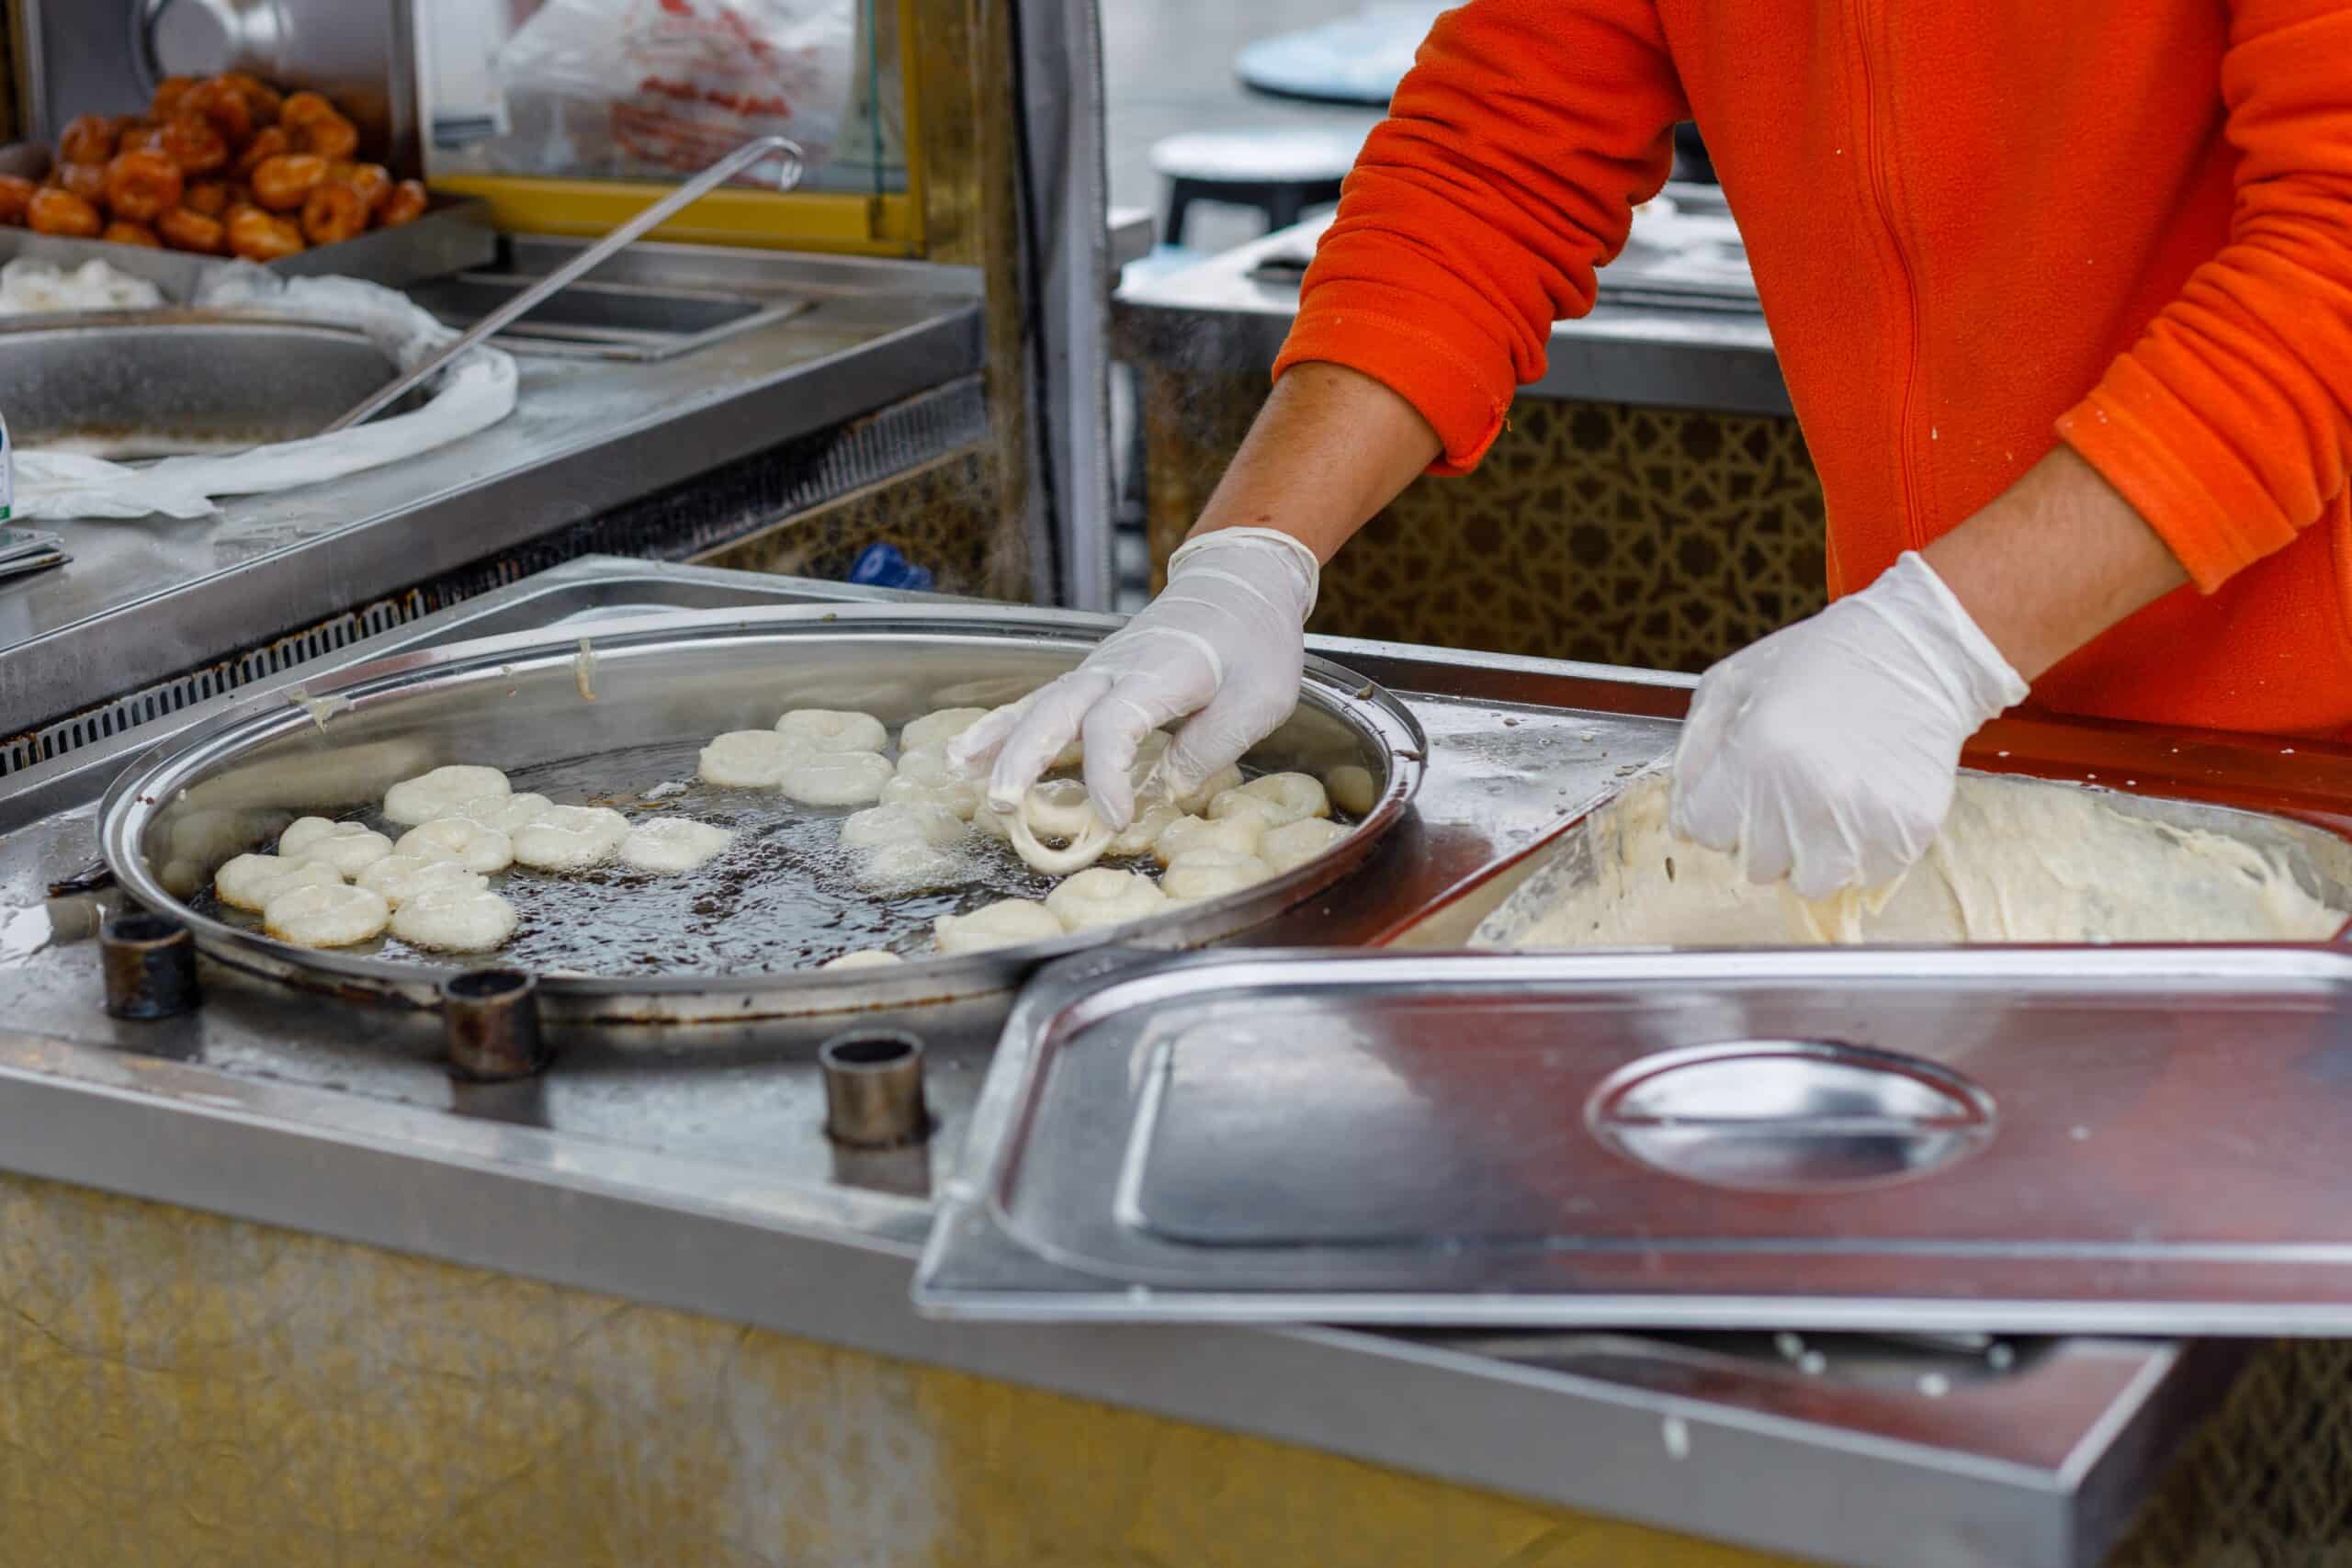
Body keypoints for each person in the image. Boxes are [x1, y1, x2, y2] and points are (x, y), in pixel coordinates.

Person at [957, 0, 2352, 900]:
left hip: (2306, 740)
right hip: (1966, 718)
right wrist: (1245, 564)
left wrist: (1945, 636)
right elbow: (1494, 164)